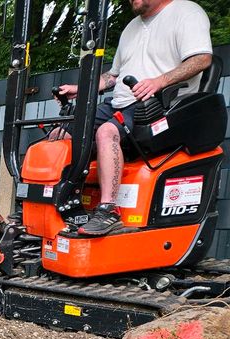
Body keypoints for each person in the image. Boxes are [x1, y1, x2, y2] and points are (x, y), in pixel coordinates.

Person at [54, 0, 212, 236]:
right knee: (61, 134)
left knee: (106, 132)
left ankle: (108, 211)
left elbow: (202, 59)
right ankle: (54, 204)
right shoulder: (131, 28)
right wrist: (82, 89)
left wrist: (160, 81)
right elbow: (113, 77)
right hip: (119, 103)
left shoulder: (186, 12)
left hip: (160, 104)